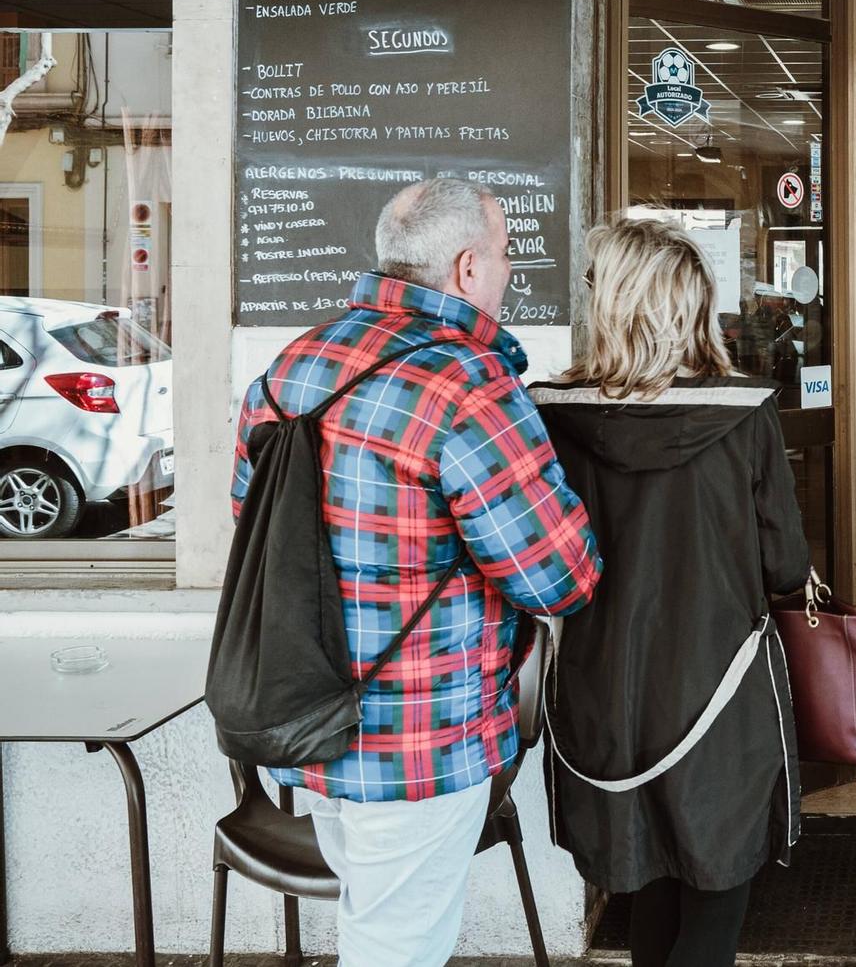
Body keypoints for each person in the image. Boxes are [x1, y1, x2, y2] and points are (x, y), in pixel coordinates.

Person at [230, 177, 602, 967]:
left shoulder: (291, 366)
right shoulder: (468, 385)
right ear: (467, 269)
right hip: (421, 744)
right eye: (504, 254)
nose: (508, 272)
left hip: (309, 724)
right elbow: (556, 577)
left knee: (373, 925)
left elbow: (252, 529)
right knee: (391, 951)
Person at [531, 217, 810, 967]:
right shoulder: (744, 414)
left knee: (646, 888)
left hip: (602, 701)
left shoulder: (549, 414)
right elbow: (785, 565)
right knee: (714, 905)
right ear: (689, 307)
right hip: (717, 696)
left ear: (613, 306)